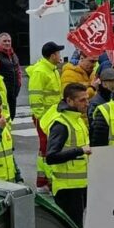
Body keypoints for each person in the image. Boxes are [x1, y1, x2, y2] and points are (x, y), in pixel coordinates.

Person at [42, 83, 92, 228]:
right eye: (82, 100)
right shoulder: (61, 124)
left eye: (87, 99)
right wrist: (80, 151)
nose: (87, 103)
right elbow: (51, 157)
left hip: (81, 185)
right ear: (69, 101)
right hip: (67, 189)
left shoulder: (77, 119)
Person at [28, 41, 65, 193]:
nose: (60, 56)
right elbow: (35, 98)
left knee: (49, 148)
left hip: (53, 116)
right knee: (46, 150)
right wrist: (41, 118)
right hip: (44, 118)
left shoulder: (53, 70)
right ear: (52, 56)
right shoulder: (40, 72)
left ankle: (45, 180)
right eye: (58, 53)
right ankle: (44, 182)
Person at [0, 33, 22, 120]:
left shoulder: (14, 55)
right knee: (3, 118)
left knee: (11, 116)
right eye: (4, 41)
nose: (7, 43)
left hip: (13, 94)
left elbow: (18, 71)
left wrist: (19, 85)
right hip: (1, 95)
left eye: (9, 41)